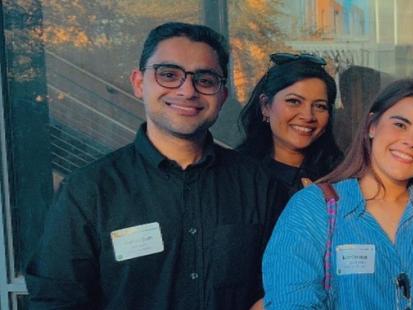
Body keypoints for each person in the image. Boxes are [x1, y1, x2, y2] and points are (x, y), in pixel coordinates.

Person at [25, 22, 287, 309]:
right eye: (169, 75)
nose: (187, 91)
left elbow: (285, 284)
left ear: (222, 95)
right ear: (139, 83)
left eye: (205, 80)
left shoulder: (259, 184)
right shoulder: (88, 191)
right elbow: (55, 301)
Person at [262, 79, 413, 309]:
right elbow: (290, 302)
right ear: (372, 126)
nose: (410, 141)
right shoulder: (314, 208)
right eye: (400, 125)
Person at [238, 52, 343, 194]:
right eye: (294, 101)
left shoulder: (343, 179)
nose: (308, 116)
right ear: (266, 106)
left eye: (320, 106)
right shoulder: (237, 176)